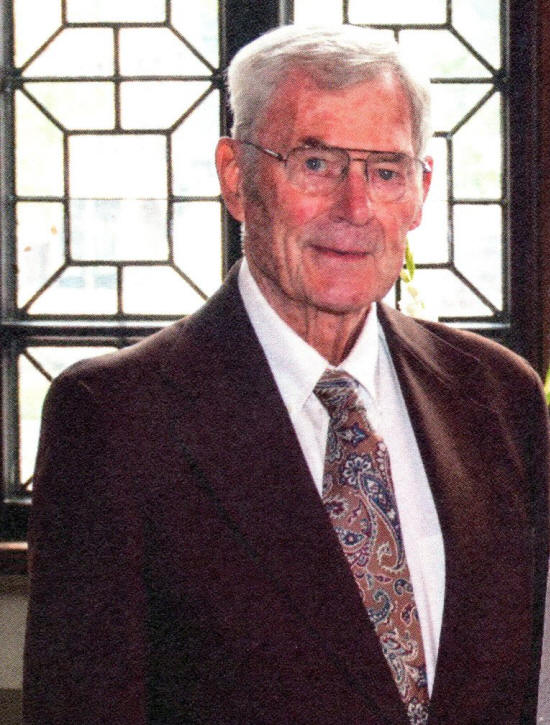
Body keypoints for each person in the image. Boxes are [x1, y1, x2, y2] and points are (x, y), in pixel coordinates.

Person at [23, 25, 549, 725]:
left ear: (421, 191)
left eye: (385, 171)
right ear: (235, 177)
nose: (354, 209)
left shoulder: (499, 398)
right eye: (316, 163)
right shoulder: (115, 420)